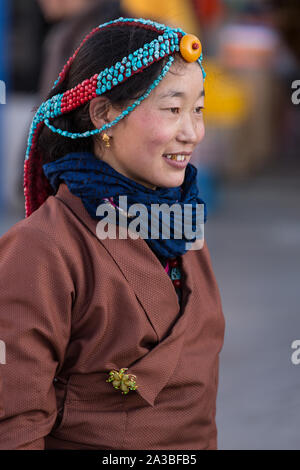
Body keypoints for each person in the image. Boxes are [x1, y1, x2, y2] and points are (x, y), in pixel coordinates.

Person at [0, 17, 225, 450]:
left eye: (198, 109)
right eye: (172, 109)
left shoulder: (182, 228)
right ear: (104, 114)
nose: (192, 132)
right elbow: (13, 427)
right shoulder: (41, 250)